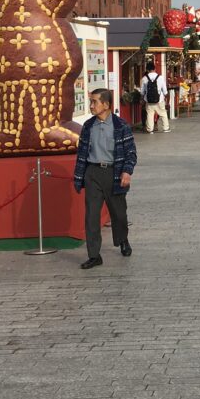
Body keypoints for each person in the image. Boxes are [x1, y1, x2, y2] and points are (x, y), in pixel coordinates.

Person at [73, 88, 136, 270]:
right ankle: (94, 255)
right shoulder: (88, 126)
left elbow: (131, 152)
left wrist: (127, 171)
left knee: (119, 214)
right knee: (91, 216)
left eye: (94, 102)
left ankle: (122, 239)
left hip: (113, 173)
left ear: (106, 105)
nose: (91, 106)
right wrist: (80, 176)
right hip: (93, 173)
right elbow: (82, 153)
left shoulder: (120, 126)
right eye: (91, 102)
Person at [140, 62, 170, 133]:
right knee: (163, 113)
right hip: (159, 100)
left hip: (149, 101)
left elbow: (142, 92)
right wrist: (167, 101)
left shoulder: (144, 78)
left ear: (147, 69)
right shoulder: (160, 77)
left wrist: (142, 100)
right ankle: (166, 128)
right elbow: (165, 91)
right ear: (155, 68)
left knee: (150, 115)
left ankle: (150, 129)